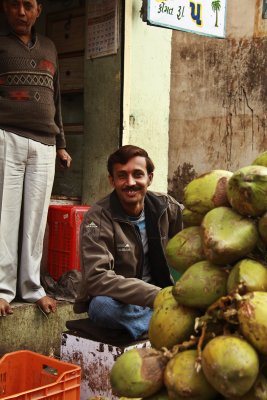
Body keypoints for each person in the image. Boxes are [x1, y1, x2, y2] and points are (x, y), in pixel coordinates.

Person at [0, 0, 72, 317]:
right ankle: (2, 290)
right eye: (14, 5)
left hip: (44, 142)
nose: (21, 12)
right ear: (4, 8)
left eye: (27, 5)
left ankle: (32, 288)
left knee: (35, 218)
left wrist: (61, 143)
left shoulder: (51, 47)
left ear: (38, 10)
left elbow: (56, 96)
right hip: (7, 135)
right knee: (5, 215)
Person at [74, 145, 183, 340]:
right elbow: (97, 278)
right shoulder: (98, 217)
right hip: (122, 299)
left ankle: (150, 323)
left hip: (160, 294)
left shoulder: (167, 207)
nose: (130, 182)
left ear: (149, 178)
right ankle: (171, 323)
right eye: (122, 176)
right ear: (112, 180)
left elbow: (196, 237)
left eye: (138, 175)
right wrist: (158, 297)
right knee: (101, 307)